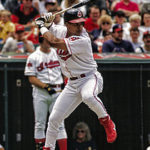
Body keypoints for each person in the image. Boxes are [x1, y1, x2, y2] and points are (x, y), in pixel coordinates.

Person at [35, 8, 117, 150]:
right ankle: (48, 147)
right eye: (75, 24)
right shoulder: (61, 30)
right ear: (67, 24)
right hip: (72, 83)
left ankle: (107, 121)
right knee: (54, 119)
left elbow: (53, 41)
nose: (80, 27)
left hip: (90, 78)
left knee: (88, 96)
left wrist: (42, 26)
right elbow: (52, 28)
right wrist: (47, 21)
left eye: (81, 23)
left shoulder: (83, 39)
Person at [24, 33, 67, 150]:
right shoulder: (33, 56)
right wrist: (45, 87)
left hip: (57, 90)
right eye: (48, 40)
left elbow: (65, 71)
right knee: (39, 124)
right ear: (41, 41)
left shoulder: (57, 53)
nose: (51, 42)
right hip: (41, 92)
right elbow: (31, 78)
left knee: (59, 124)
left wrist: (66, 84)